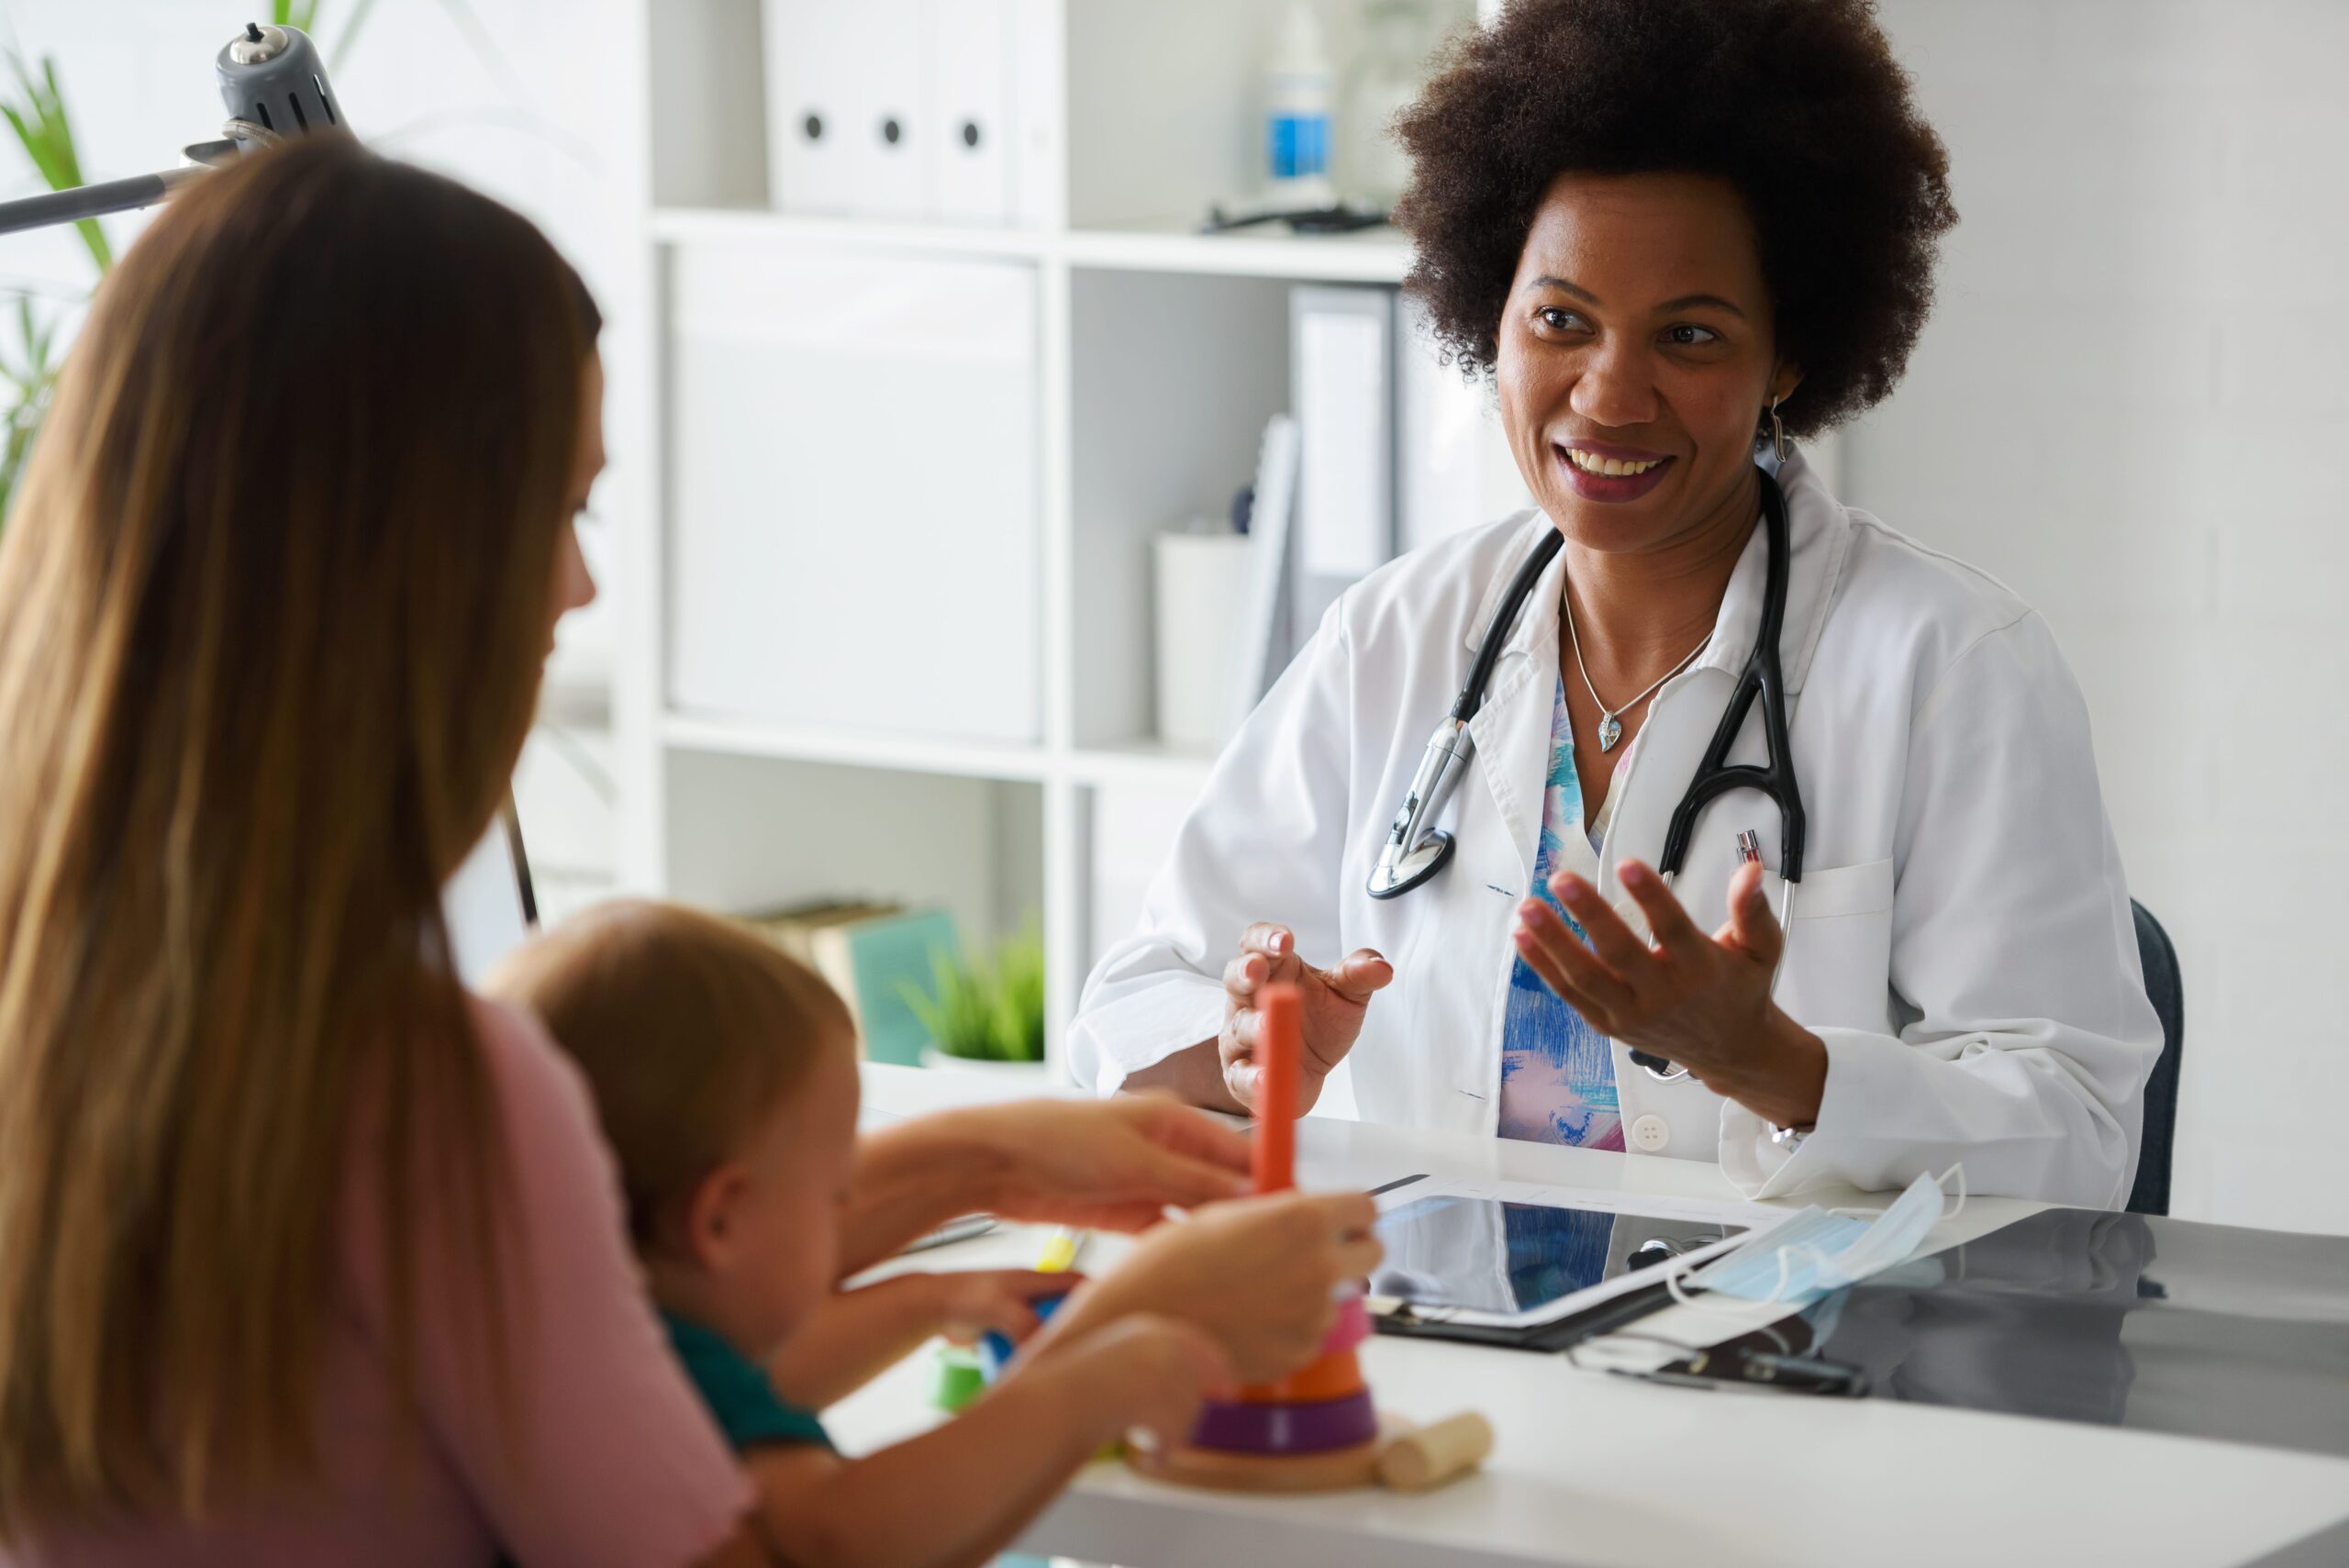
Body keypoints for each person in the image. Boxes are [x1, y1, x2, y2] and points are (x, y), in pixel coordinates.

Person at [0, 136, 1375, 1567]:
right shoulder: (428, 1097)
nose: (578, 585)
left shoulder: (92, 1029)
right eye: (560, 509)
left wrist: (973, 1157)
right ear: (397, 561)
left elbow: (586, 1327)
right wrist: (1150, 1340)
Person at [1071, 0, 2162, 1208]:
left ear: (1786, 359)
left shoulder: (1950, 666)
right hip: (1435, 1333)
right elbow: (1136, 994)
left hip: (1796, 1360)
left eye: (1689, 336)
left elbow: (2079, 1124)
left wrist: (1779, 1065)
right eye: (1560, 320)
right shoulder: (1399, 635)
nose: (1608, 394)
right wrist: (1240, 1046)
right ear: (1492, 309)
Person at [491, 900, 1379, 1568]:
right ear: (717, 1218)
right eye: (837, 1188)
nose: (854, 1206)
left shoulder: (622, 1336)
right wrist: (1099, 1377)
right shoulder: (677, 1371)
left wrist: (929, 1294)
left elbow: (788, 1365)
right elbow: (842, 1531)